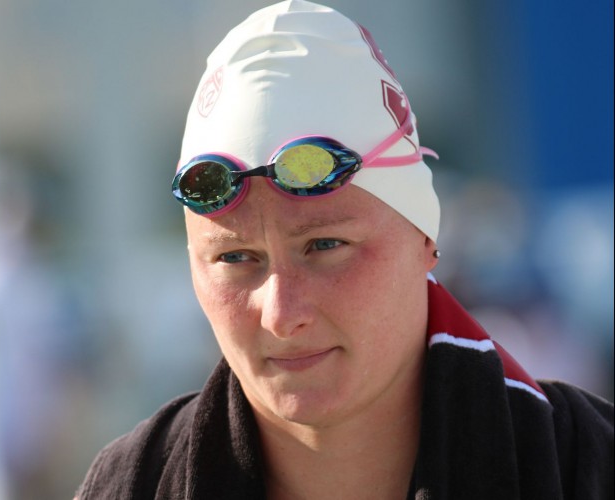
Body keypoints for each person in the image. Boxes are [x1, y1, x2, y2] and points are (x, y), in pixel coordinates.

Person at [76, 1, 613, 498]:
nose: (282, 315)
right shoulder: (132, 482)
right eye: (236, 258)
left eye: (325, 245)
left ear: (426, 237)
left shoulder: (585, 465)